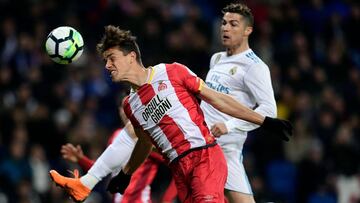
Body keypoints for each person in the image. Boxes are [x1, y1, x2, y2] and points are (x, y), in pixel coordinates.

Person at [49, 25, 292, 203]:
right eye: (105, 61)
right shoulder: (130, 105)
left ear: (131, 56)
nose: (107, 66)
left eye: (111, 59)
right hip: (180, 170)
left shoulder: (171, 72)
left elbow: (217, 99)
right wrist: (126, 174)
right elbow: (145, 142)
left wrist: (264, 120)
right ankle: (87, 183)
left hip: (204, 157)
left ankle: (86, 183)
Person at [200, 3, 282, 203]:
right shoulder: (216, 59)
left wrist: (228, 126)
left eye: (233, 24)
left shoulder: (255, 67)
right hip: (200, 145)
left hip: (226, 150)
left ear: (248, 30)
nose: (225, 28)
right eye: (224, 23)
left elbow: (269, 111)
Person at [59, 97, 169, 203]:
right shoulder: (116, 136)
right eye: (123, 107)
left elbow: (176, 167)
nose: (126, 111)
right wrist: (81, 159)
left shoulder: (147, 139)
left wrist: (167, 199)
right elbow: (103, 170)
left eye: (132, 106)